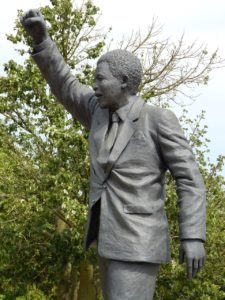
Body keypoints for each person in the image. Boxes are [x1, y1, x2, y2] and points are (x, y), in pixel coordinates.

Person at [21, 9, 206, 300]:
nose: (93, 85)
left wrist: (193, 235)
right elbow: (65, 84)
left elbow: (189, 179)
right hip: (105, 237)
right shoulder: (97, 111)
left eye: (100, 79)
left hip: (139, 241)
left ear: (122, 82)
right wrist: (43, 42)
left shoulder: (157, 119)